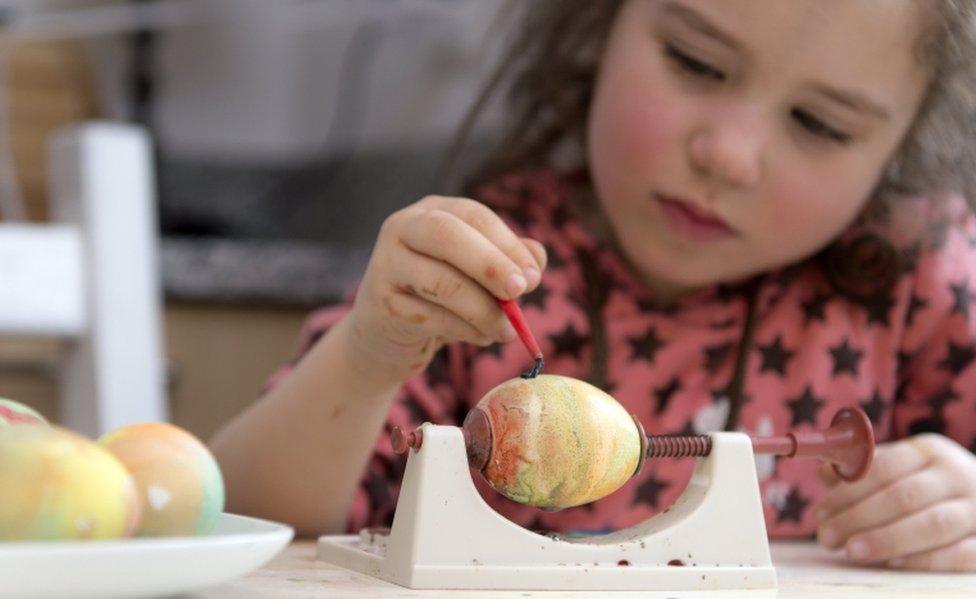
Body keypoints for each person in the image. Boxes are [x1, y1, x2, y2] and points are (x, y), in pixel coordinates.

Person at [210, 0, 976, 572]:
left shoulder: (924, 292)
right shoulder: (479, 282)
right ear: (599, 26)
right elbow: (250, 519)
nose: (729, 156)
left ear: (905, 144)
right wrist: (371, 352)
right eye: (697, 64)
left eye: (821, 123)